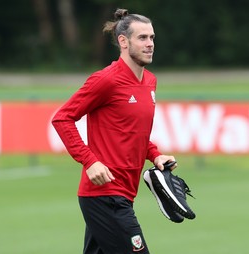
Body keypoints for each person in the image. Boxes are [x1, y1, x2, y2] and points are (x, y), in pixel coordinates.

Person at [52, 8, 177, 254]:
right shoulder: (105, 80)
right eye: (142, 38)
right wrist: (90, 162)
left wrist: (155, 155)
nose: (150, 43)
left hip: (125, 193)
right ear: (123, 41)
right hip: (104, 194)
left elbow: (133, 132)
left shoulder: (150, 81)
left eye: (152, 37)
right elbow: (63, 118)